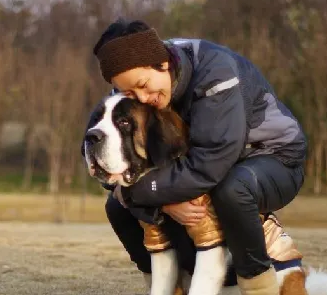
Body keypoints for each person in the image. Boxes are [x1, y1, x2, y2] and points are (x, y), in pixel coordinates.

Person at [90, 18, 307, 295]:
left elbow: (208, 167)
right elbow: (118, 165)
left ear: (163, 63)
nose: (141, 99)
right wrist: (161, 204)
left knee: (231, 189)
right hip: (209, 170)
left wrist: (145, 194)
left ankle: (258, 286)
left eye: (143, 85)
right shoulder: (133, 84)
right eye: (129, 93)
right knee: (117, 207)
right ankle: (171, 286)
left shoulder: (216, 73)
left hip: (276, 158)